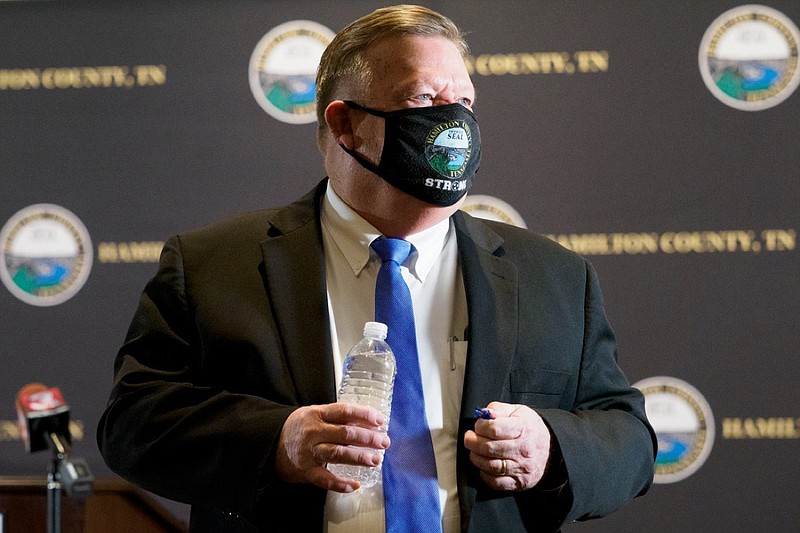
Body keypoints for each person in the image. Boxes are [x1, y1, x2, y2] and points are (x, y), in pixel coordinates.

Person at [97, 5, 656, 533]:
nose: (454, 125)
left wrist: (551, 446)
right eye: (423, 98)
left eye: (464, 101)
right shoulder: (212, 267)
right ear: (346, 125)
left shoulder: (553, 277)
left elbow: (627, 436)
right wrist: (279, 443)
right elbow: (133, 425)